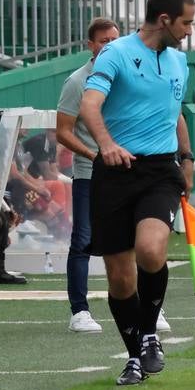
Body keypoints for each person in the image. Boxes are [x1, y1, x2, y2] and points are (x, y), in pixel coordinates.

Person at [78, 0, 195, 386]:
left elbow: (173, 111)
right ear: (164, 20)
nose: (189, 30)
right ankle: (133, 356)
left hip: (160, 172)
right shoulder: (117, 53)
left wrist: (187, 156)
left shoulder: (180, 62)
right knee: (120, 278)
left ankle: (149, 335)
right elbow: (89, 105)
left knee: (150, 249)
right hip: (114, 173)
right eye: (186, 23)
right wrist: (106, 144)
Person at [53, 17, 120, 333]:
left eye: (114, 40)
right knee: (83, 240)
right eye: (104, 40)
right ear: (90, 45)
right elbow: (63, 133)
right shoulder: (77, 82)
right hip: (89, 173)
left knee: (129, 239)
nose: (109, 45)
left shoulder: (126, 77)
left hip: (125, 171)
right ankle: (79, 311)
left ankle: (145, 306)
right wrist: (96, 155)